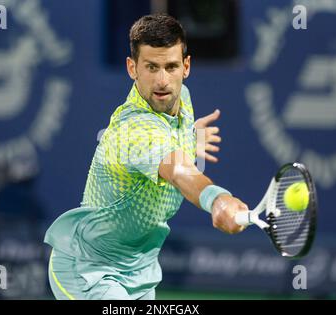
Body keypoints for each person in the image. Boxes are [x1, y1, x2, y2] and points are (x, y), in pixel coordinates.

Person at [44, 13, 248, 300]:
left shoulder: (182, 98)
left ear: (185, 67)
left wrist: (189, 137)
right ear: (132, 68)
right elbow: (179, 171)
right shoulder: (134, 129)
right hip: (87, 271)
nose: (162, 81)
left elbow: (172, 144)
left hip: (139, 274)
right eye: (151, 67)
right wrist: (217, 199)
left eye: (171, 66)